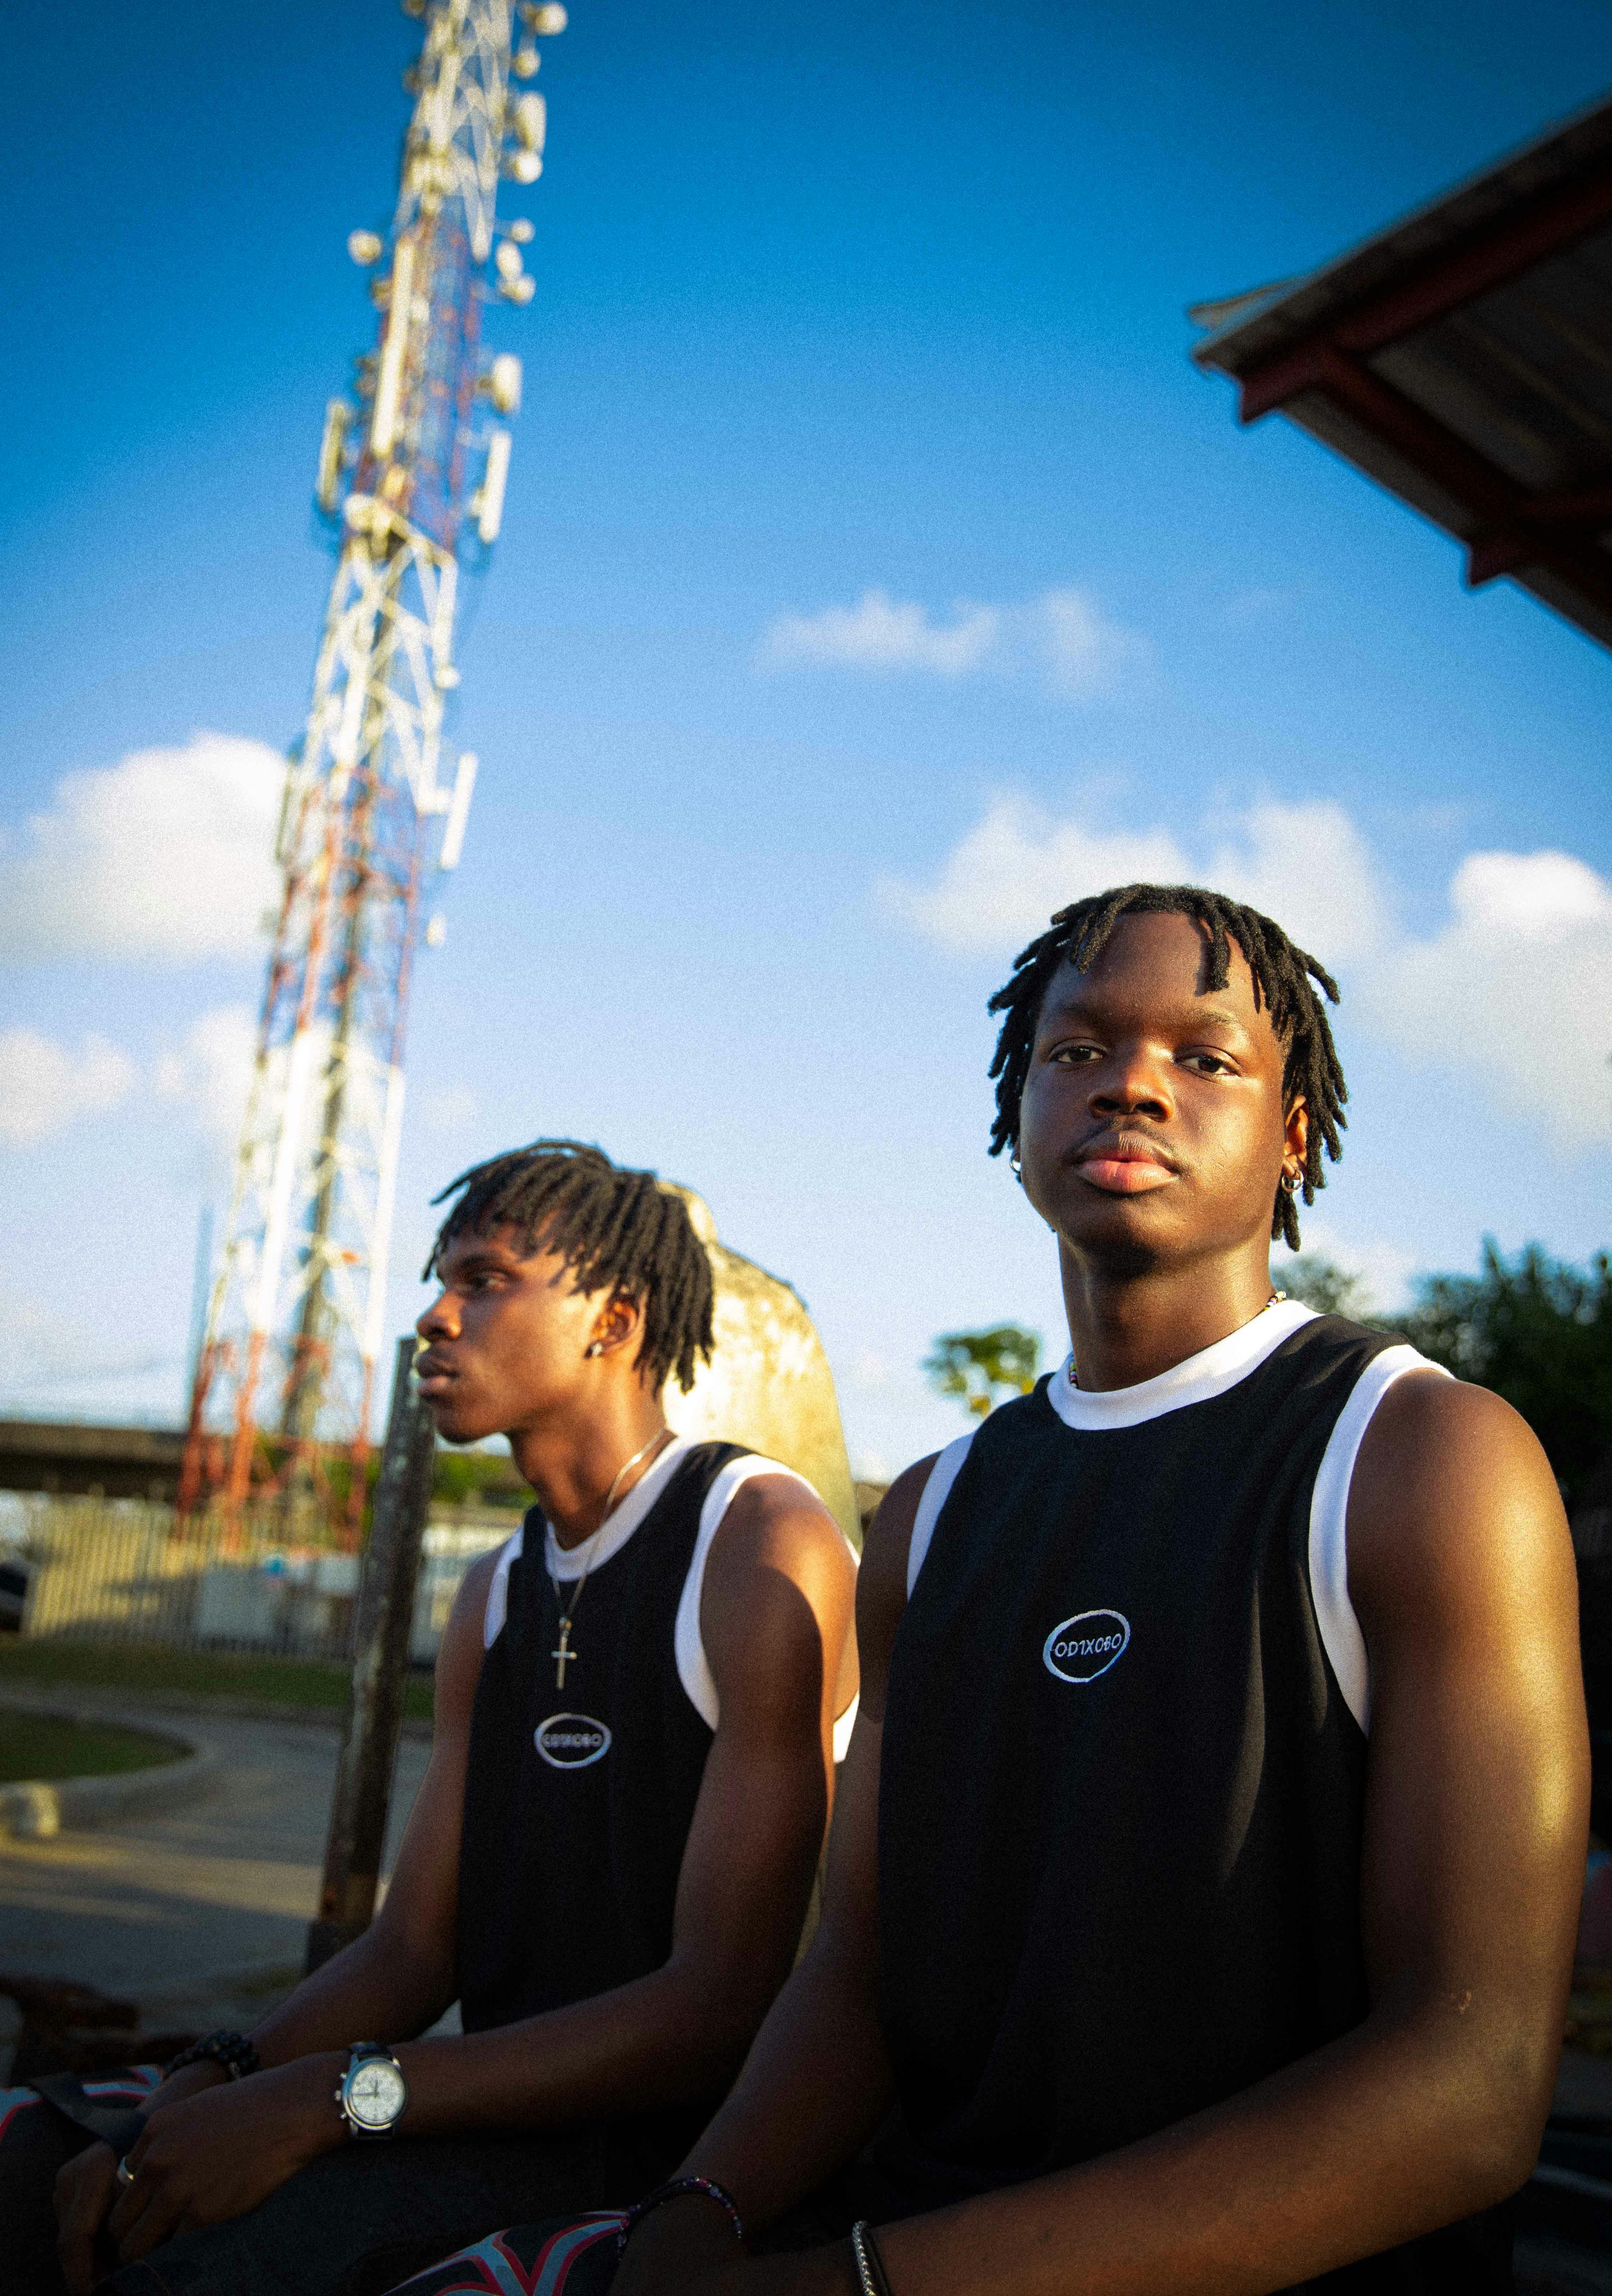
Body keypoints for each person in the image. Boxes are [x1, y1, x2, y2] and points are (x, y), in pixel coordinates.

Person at [436, 885, 1585, 2296]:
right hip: (902, 2226)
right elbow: (854, 1975)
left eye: (1205, 1056)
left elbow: (1468, 2085)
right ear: (1016, 1110)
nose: (1132, 1088)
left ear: (1292, 1137)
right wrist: (696, 2216)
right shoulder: (935, 1509)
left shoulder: (1417, 1457)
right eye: (1075, 1051)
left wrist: (853, 2287)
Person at [19, 1141, 859, 2296]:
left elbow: (719, 2005)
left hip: (681, 2160)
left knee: (217, 2265)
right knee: (46, 2161)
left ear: (612, 1322)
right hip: (485, 2108)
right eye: (441, 1280)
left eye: (484, 1280)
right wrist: (210, 2083)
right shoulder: (496, 1591)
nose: (433, 1315)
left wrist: (335, 2101)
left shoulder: (753, 1542)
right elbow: (416, 1949)